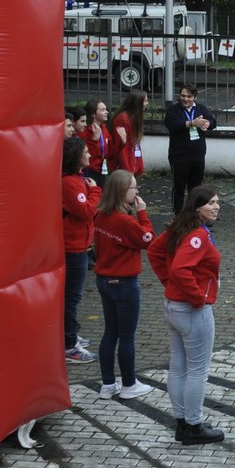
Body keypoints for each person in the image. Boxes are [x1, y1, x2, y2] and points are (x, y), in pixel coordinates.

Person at [149, 185, 224, 444]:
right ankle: (193, 425)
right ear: (197, 207)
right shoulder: (198, 236)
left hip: (173, 307)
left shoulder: (177, 227)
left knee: (179, 366)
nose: (216, 207)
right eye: (210, 203)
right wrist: (197, 297)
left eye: (217, 202)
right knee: (197, 371)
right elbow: (182, 269)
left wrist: (167, 282)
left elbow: (155, 252)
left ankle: (182, 423)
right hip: (192, 311)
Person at [92, 169, 156, 399]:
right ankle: (129, 384)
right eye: (133, 187)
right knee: (127, 335)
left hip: (104, 280)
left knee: (110, 332)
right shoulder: (124, 221)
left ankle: (108, 383)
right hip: (124, 283)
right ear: (121, 191)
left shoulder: (100, 216)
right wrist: (143, 213)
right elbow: (148, 240)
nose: (137, 191)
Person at [61, 136, 99, 364]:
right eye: (86, 151)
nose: (90, 154)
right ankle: (68, 344)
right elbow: (85, 211)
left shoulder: (76, 180)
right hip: (73, 248)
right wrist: (96, 192)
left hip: (79, 246)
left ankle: (70, 336)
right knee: (71, 297)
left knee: (72, 296)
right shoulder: (70, 183)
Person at [165, 84, 216, 214]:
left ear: (195, 97)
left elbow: (212, 121)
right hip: (179, 157)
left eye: (189, 96)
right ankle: (178, 215)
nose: (186, 99)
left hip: (197, 156)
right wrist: (191, 123)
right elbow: (171, 124)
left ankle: (194, 214)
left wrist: (207, 123)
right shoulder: (173, 110)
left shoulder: (200, 108)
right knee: (179, 188)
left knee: (196, 189)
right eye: (183, 96)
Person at [110, 89, 148, 177]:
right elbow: (122, 147)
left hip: (130, 165)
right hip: (124, 168)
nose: (147, 103)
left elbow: (135, 145)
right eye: (145, 101)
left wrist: (138, 165)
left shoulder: (133, 117)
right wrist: (127, 170)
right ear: (137, 102)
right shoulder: (122, 119)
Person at [82, 99, 113, 186]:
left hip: (102, 169)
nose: (106, 112)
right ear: (93, 114)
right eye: (102, 110)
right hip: (89, 171)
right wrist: (95, 140)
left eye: (106, 109)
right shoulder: (85, 131)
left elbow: (110, 149)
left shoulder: (104, 129)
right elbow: (89, 153)